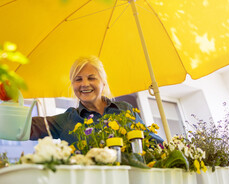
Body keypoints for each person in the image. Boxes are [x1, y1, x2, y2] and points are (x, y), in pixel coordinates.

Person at [30, 55, 163, 145]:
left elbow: (153, 142)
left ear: (103, 83)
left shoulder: (124, 110)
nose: (84, 84)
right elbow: (24, 128)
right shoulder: (67, 120)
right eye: (78, 79)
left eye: (91, 78)